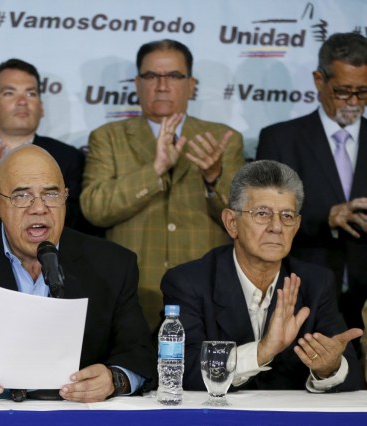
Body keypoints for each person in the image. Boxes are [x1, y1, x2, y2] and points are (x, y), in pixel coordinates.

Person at [0, 144, 154, 403]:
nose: (39, 208)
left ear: (65, 197)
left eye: (51, 195)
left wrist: (113, 380)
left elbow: (140, 355)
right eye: (21, 196)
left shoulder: (112, 263)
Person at [80, 39, 245, 330]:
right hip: (132, 293)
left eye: (174, 76)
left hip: (205, 294)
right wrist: (155, 169)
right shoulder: (108, 137)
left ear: (191, 84)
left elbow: (242, 220)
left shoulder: (222, 139)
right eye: (152, 76)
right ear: (137, 83)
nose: (162, 85)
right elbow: (95, 208)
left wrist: (213, 177)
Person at [161, 160, 363, 392]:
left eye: (287, 216)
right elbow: (179, 371)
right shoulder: (189, 282)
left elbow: (352, 377)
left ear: (296, 226)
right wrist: (262, 351)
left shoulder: (316, 283)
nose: (276, 227)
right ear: (231, 223)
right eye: (262, 213)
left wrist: (329, 368)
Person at [257, 32, 367, 344]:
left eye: (363, 92)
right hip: (302, 295)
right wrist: (327, 218)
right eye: (344, 92)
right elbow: (262, 220)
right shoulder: (280, 140)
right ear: (319, 80)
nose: (354, 102)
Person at [0, 58, 92, 237]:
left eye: (30, 93)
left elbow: (79, 226)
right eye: (9, 93)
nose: (22, 101)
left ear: (41, 107)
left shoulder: (67, 158)